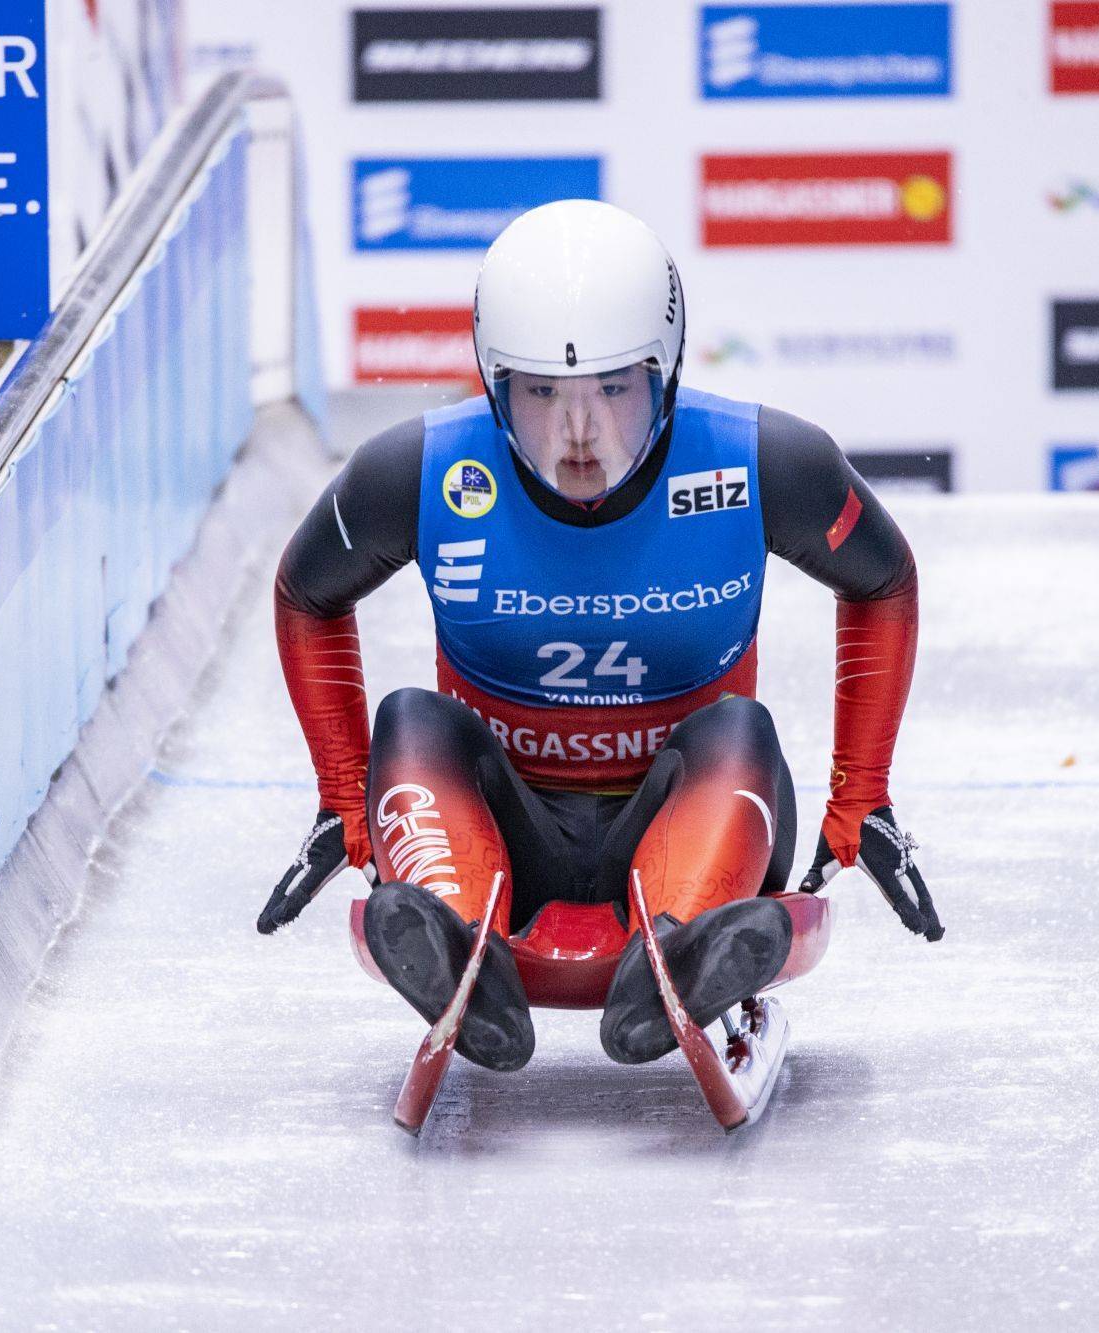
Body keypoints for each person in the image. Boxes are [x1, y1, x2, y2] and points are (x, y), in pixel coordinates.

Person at [259, 200, 940, 1072]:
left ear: (668, 370)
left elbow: (883, 580)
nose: (581, 437)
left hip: (690, 812)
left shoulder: (763, 462)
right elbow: (305, 593)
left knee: (741, 732)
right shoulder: (418, 471)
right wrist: (347, 796)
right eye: (543, 395)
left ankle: (682, 948)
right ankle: (461, 946)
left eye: (615, 392)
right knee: (413, 719)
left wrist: (862, 798)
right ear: (495, 382)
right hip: (504, 833)